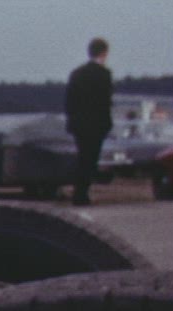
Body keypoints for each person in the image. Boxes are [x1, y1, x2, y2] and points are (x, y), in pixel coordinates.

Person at [65, 37, 113, 207]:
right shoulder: (104, 74)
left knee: (83, 157)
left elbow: (69, 101)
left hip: (79, 124)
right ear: (104, 53)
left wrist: (72, 120)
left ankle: (79, 193)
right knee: (91, 158)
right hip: (96, 124)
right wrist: (108, 124)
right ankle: (82, 194)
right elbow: (105, 102)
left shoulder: (76, 73)